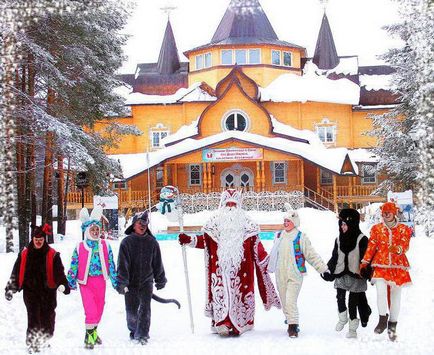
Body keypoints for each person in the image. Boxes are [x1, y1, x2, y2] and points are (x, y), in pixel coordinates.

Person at [178, 189, 281, 337]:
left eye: (234, 204)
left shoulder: (248, 226)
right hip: (220, 272)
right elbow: (205, 242)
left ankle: (238, 325)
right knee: (221, 296)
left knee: (239, 297)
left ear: (239, 206)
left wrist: (269, 260)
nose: (231, 207)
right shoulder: (213, 224)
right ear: (222, 205)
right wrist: (190, 240)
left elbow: (258, 249)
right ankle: (222, 323)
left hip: (242, 274)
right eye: (228, 204)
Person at [4, 224, 70, 353]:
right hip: (31, 292)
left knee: (48, 319)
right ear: (32, 239)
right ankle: (32, 344)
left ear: (44, 239)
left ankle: (45, 339)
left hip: (48, 292)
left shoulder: (53, 255)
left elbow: (59, 272)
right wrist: (10, 288)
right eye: (36, 239)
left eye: (41, 239)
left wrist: (63, 284)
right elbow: (16, 272)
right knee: (33, 318)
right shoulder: (24, 254)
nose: (38, 241)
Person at [268, 207, 329, 338]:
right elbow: (273, 254)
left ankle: (293, 326)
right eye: (284, 220)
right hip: (281, 274)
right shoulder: (279, 236)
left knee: (290, 301)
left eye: (288, 221)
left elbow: (311, 254)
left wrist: (322, 268)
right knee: (284, 301)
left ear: (294, 222)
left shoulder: (300, 237)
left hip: (295, 274)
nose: (285, 223)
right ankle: (289, 318)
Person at [67, 207, 118, 349]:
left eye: (97, 229)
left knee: (100, 308)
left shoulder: (105, 245)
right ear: (87, 231)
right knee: (91, 310)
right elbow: (73, 266)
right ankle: (89, 338)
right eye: (92, 230)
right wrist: (69, 283)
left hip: (100, 281)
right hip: (86, 282)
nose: (95, 232)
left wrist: (116, 282)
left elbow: (111, 264)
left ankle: (93, 332)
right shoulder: (80, 247)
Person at [360, 202, 412, 341]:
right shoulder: (376, 229)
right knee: (380, 292)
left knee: (396, 297)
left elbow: (405, 245)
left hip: (398, 266)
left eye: (389, 212)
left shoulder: (404, 229)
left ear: (394, 213)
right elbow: (371, 247)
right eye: (384, 212)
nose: (386, 214)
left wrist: (398, 249)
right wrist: (364, 263)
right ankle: (383, 319)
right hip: (380, 265)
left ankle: (392, 326)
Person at [117, 211, 167, 345]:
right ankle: (134, 330)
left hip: (146, 281)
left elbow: (157, 263)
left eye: (145, 223)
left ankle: (143, 333)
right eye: (140, 223)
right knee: (131, 309)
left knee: (145, 308)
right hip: (130, 283)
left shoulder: (152, 242)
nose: (143, 225)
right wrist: (122, 282)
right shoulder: (126, 243)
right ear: (133, 225)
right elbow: (122, 264)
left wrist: (160, 279)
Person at [322, 208, 371, 338]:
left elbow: (367, 258)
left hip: (356, 276)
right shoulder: (338, 240)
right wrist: (328, 270)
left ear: (353, 224)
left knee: (353, 303)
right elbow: (334, 257)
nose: (343, 227)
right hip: (341, 273)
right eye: (341, 224)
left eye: (345, 224)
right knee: (340, 298)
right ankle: (343, 318)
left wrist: (367, 271)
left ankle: (353, 329)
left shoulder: (362, 239)